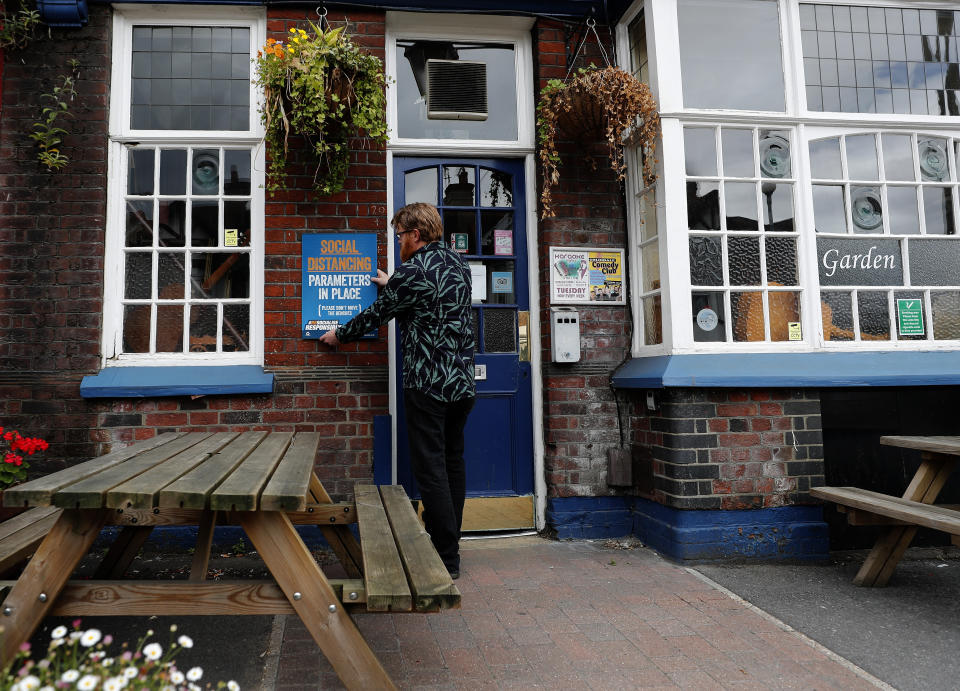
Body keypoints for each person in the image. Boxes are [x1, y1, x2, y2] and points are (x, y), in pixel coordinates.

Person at [319, 203, 475, 579]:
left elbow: (377, 315)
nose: (399, 241)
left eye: (401, 235)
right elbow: (430, 300)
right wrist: (395, 284)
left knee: (432, 468)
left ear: (415, 235)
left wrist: (338, 335)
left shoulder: (413, 271)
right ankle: (450, 546)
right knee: (453, 462)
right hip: (463, 383)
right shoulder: (458, 263)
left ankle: (445, 557)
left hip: (429, 384)